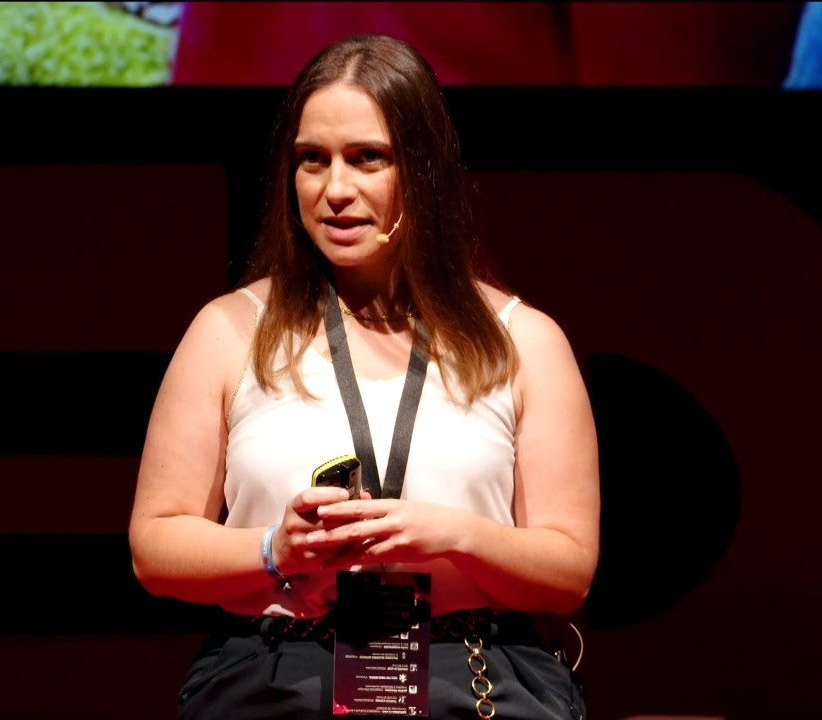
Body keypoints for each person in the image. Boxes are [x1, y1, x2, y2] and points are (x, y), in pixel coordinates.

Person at [128, 33, 599, 719]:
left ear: (424, 169)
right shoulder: (229, 330)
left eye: (368, 159)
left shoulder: (523, 341)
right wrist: (273, 548)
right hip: (276, 673)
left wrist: (452, 533)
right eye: (312, 161)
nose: (336, 190)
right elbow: (156, 544)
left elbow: (569, 570)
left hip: (472, 677)